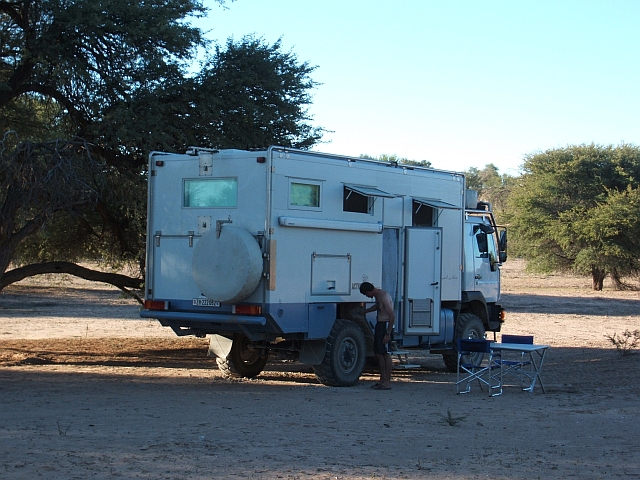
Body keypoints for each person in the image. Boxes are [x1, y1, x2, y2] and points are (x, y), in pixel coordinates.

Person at [360, 282, 395, 390]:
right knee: (378, 352)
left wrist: (388, 333)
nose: (367, 297)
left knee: (385, 353)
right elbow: (378, 307)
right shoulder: (377, 296)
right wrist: (365, 311)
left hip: (385, 326)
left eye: (366, 295)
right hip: (380, 325)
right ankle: (382, 379)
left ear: (369, 291)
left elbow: (391, 315)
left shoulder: (384, 296)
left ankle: (387, 382)